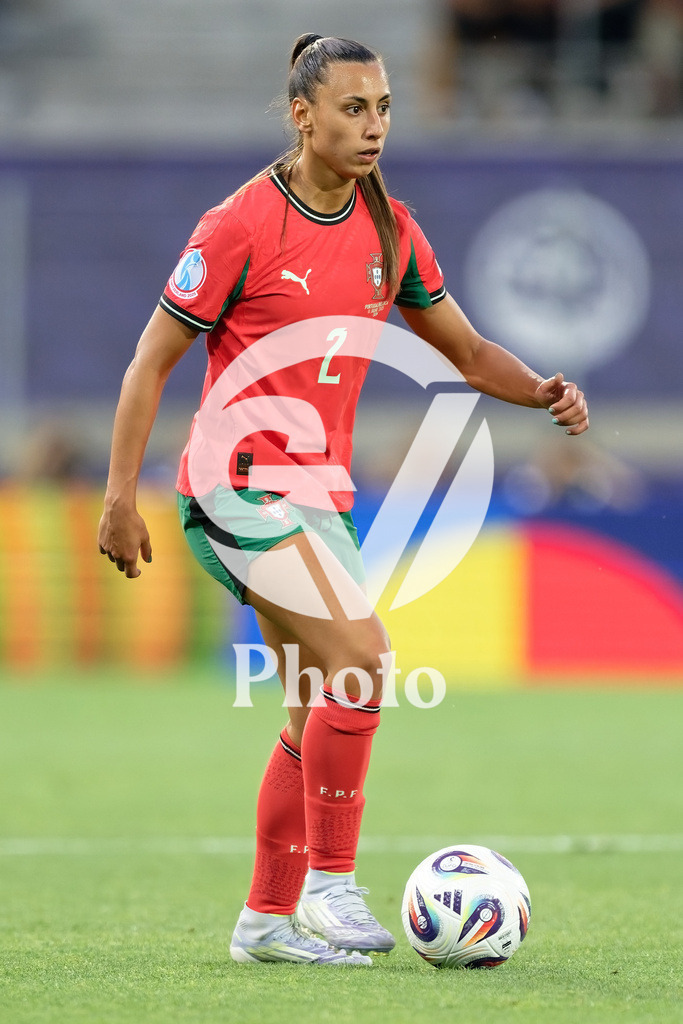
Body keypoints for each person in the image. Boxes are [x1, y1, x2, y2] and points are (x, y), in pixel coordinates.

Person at [98, 32, 589, 967]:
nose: (373, 126)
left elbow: (469, 351)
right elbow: (149, 361)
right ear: (302, 115)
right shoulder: (238, 223)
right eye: (353, 108)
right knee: (363, 658)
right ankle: (330, 886)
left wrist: (542, 390)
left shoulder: (390, 229)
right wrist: (120, 496)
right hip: (232, 487)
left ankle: (264, 924)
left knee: (310, 714)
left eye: (384, 108)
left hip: (319, 497)